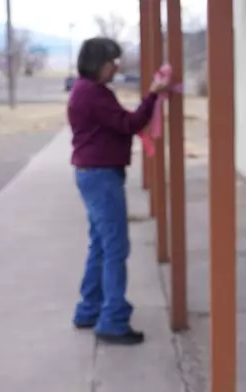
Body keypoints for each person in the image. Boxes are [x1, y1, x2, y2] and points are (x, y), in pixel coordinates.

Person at [68, 37, 170, 345]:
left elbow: (120, 124)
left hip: (93, 174)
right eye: (112, 61)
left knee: (100, 245)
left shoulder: (88, 91)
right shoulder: (92, 94)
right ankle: (112, 319)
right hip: (101, 177)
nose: (116, 66)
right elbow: (128, 123)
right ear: (98, 63)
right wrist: (153, 95)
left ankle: (89, 309)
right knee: (115, 248)